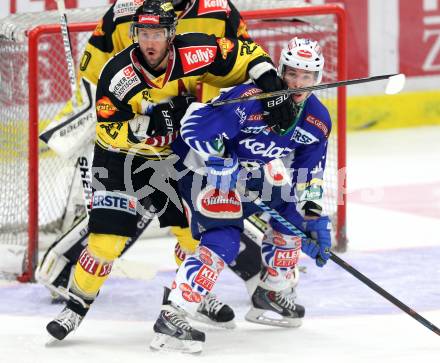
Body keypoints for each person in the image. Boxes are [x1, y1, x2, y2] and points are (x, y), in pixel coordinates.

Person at [45, 0, 295, 342]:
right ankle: (75, 307)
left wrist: (271, 85)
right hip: (121, 159)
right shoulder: (118, 75)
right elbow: (107, 129)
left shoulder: (195, 50)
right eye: (144, 33)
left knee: (195, 236)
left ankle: (187, 296)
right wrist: (152, 122)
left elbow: (247, 54)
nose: (150, 43)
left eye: (158, 34)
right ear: (134, 34)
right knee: (106, 244)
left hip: (171, 157)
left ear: (171, 34)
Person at [149, 37, 332, 353]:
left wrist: (313, 216)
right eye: (292, 73)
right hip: (199, 169)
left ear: (317, 79)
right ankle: (174, 313)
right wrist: (223, 162)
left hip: (249, 172)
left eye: (306, 76)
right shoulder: (249, 98)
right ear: (281, 70)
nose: (298, 82)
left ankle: (271, 292)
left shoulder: (317, 119)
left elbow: (309, 172)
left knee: (291, 218)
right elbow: (193, 127)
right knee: (224, 239)